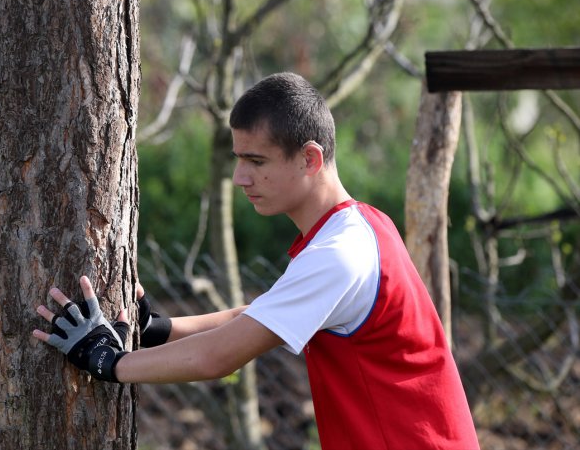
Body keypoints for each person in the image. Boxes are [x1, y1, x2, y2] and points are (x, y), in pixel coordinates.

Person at [33, 72, 481, 450]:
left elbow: (216, 358)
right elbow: (262, 316)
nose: (239, 177)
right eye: (238, 159)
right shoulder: (361, 227)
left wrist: (107, 362)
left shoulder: (338, 255)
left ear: (310, 158)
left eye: (255, 160)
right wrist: (159, 330)